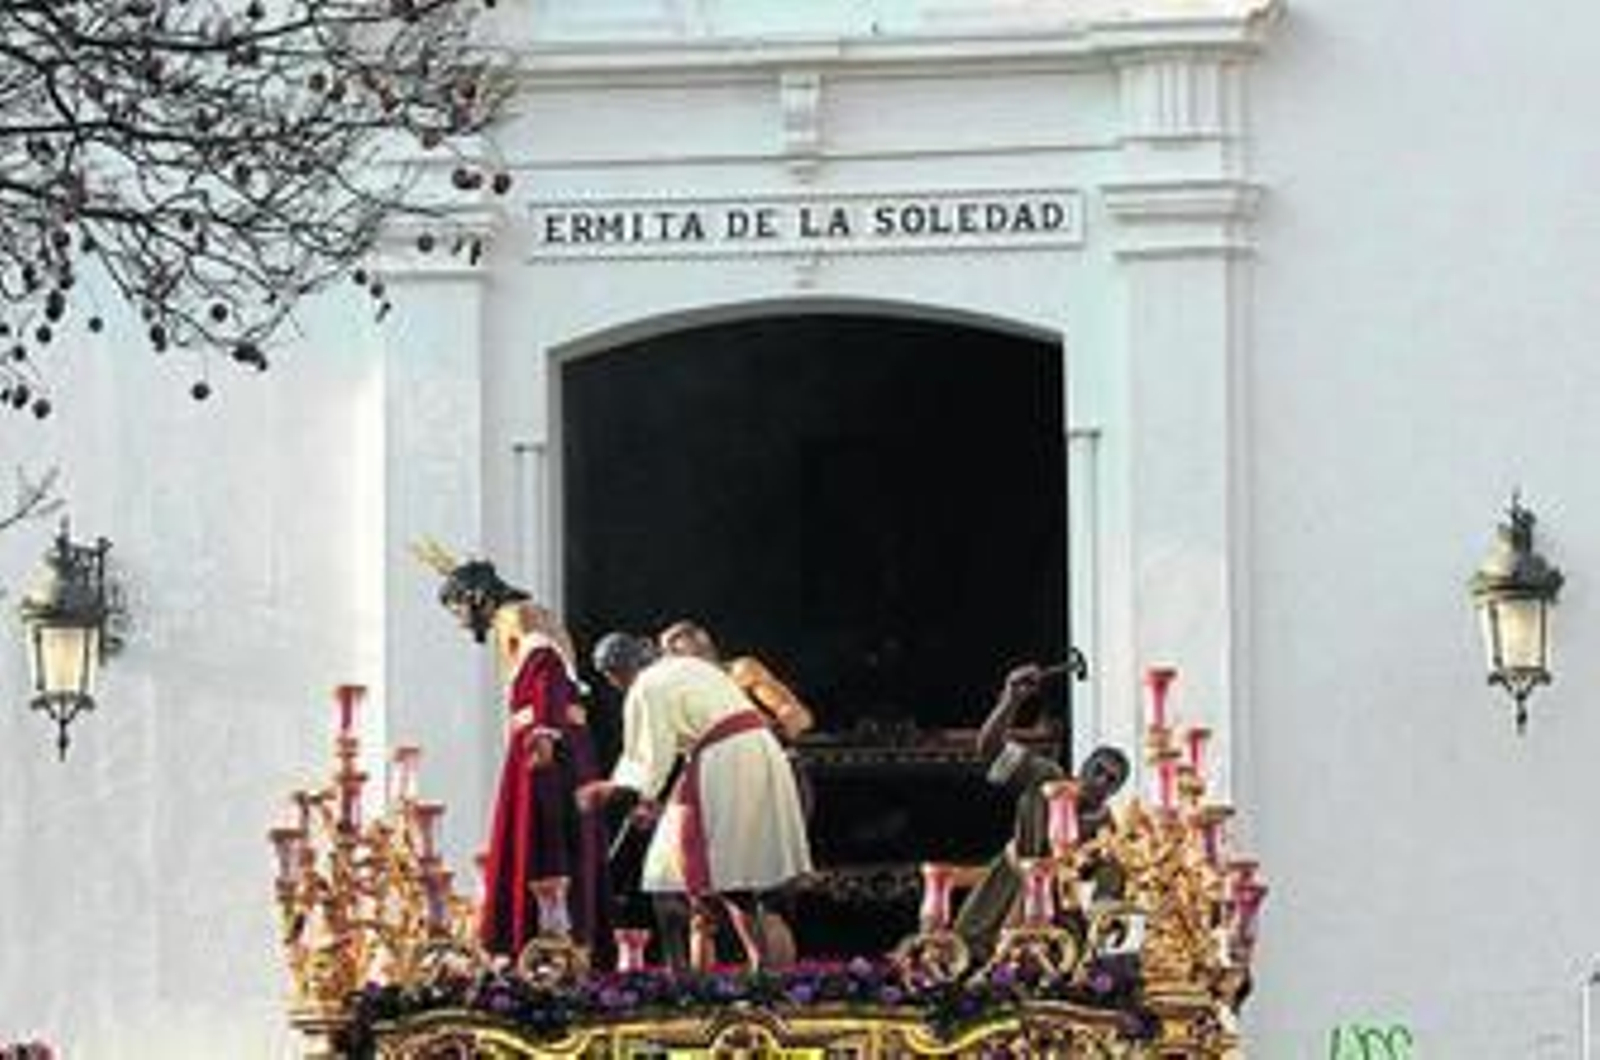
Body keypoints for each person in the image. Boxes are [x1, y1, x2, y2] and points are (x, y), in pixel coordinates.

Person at [577, 631, 812, 972]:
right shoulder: (690, 667)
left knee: (666, 873)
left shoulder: (648, 684)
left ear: (617, 672)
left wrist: (617, 790)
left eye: (611, 679)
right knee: (742, 884)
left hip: (727, 764)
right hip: (761, 759)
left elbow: (648, 758)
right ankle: (769, 980)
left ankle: (685, 980)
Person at [427, 551, 611, 959]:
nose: (461, 622)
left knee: (545, 839)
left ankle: (540, 945)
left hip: (545, 747)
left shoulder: (516, 616)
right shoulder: (532, 614)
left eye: (459, 609)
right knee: (558, 838)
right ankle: (558, 942)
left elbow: (546, 667)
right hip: (562, 742)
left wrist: (543, 731)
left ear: (476, 598)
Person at [655, 618, 812, 965]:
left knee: (763, 894)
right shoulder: (676, 697)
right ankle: (719, 987)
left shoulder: (741, 672)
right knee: (715, 896)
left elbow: (797, 717)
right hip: (713, 791)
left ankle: (776, 985)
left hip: (767, 783)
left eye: (678, 655)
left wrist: (759, 729)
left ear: (704, 651)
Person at [952, 662, 1130, 963]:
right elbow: (989, 750)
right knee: (966, 960)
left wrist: (1109, 914)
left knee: (1055, 972)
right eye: (1098, 770)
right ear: (1083, 767)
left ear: (1115, 790)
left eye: (1111, 779)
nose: (1101, 780)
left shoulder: (1107, 831)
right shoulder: (1045, 777)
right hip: (1006, 890)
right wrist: (1011, 700)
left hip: (1057, 914)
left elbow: (1109, 886)